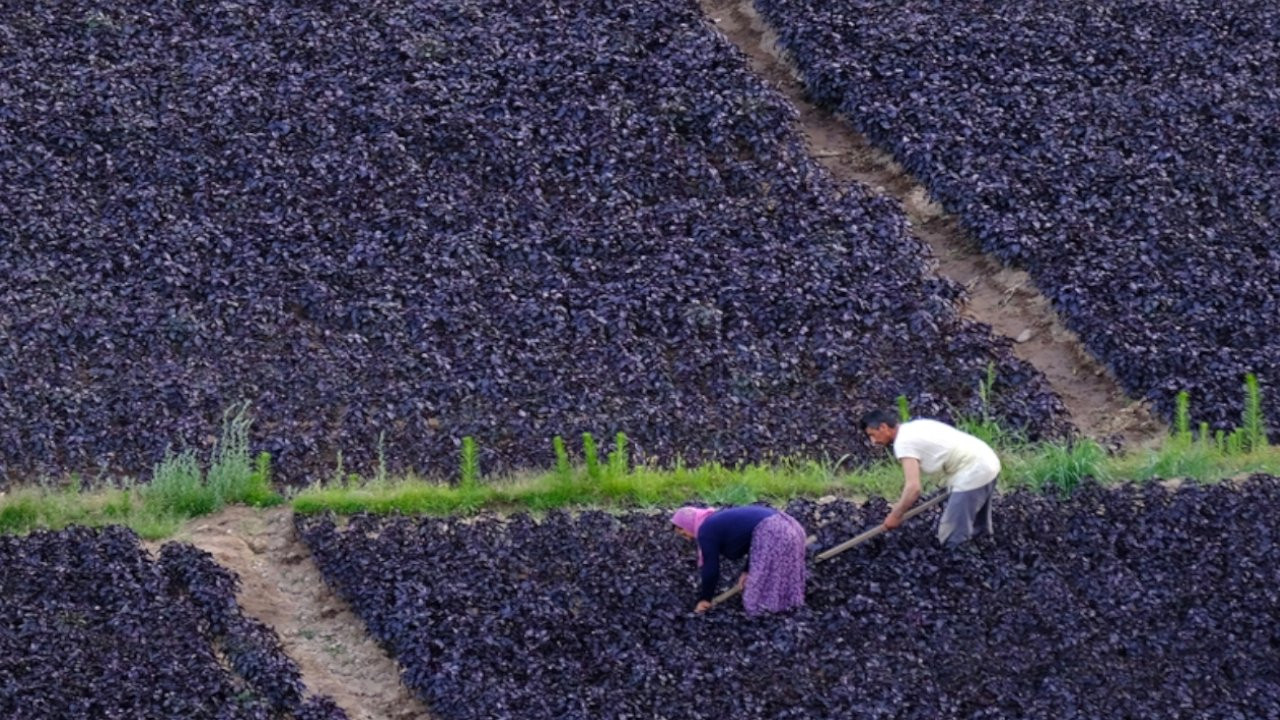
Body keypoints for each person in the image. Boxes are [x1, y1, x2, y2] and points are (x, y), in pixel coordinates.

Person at [859, 409, 1001, 549]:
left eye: (873, 435)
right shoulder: (913, 427)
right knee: (979, 529)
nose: (873, 441)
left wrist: (896, 515)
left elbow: (913, 488)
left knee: (953, 534)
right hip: (987, 460)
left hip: (974, 470)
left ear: (883, 427)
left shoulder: (903, 442)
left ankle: (960, 566)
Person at [670, 504, 806, 616]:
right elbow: (752, 543)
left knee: (757, 594)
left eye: (683, 533)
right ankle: (787, 609)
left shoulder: (706, 530)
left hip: (775, 532)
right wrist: (747, 571)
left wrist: (705, 599)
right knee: (778, 579)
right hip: (790, 527)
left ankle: (773, 613)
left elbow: (710, 569)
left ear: (688, 524)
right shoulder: (714, 521)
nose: (687, 538)